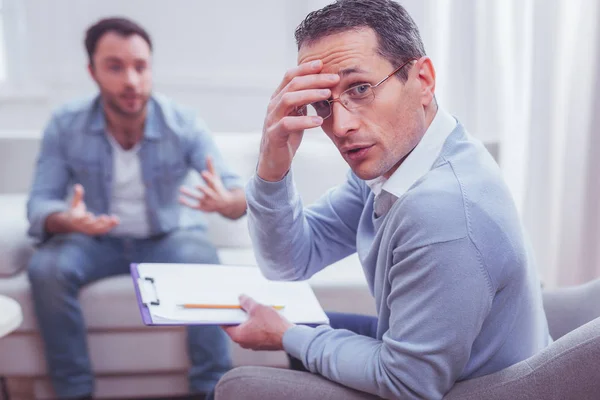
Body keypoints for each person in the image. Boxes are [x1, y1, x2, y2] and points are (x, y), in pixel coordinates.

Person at [222, 0, 551, 398]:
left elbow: (407, 383)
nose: (340, 126)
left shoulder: (441, 210)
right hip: (432, 363)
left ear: (423, 80)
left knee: (238, 387)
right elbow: (289, 260)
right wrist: (272, 167)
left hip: (471, 390)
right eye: (323, 103)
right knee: (299, 328)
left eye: (360, 89)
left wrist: (290, 338)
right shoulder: (405, 158)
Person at [26, 17, 246, 400]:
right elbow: (40, 202)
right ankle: (74, 392)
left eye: (140, 66)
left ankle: (210, 390)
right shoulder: (65, 124)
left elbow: (237, 192)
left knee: (203, 260)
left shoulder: (183, 123)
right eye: (115, 67)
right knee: (46, 268)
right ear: (92, 71)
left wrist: (228, 203)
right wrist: (67, 220)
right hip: (95, 240)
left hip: (168, 239)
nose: (131, 80)